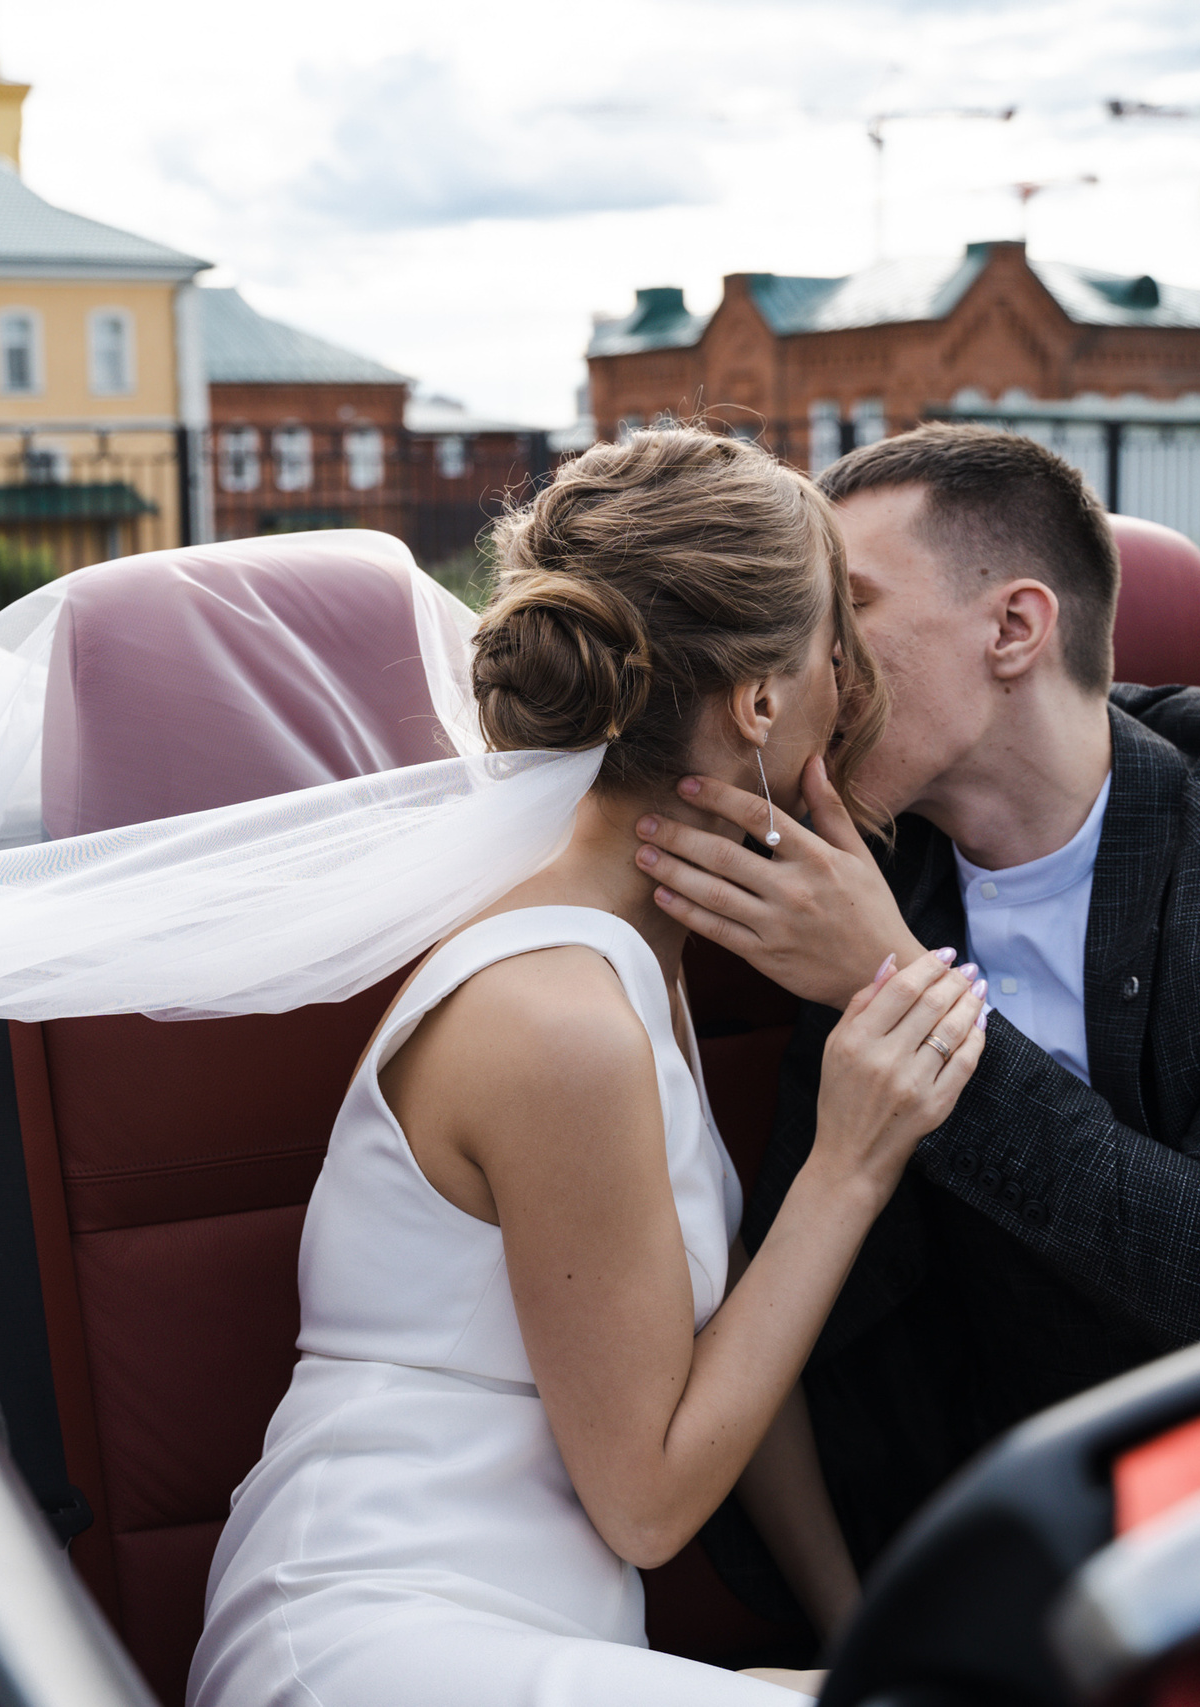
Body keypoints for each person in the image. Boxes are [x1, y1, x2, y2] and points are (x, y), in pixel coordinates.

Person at [191, 428, 991, 1707]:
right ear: (761, 703)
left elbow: (711, 1346)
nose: (857, 680)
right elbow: (647, 1506)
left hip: (522, 1635)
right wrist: (850, 1162)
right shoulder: (554, 1015)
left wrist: (861, 1632)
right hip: (381, 1639)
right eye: (834, 640)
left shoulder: (632, 944)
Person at [628, 424, 1200, 1612]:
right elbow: (807, 1303)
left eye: (853, 607)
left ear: (1015, 629)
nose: (821, 660)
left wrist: (892, 982)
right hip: (1034, 1531)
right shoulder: (868, 869)